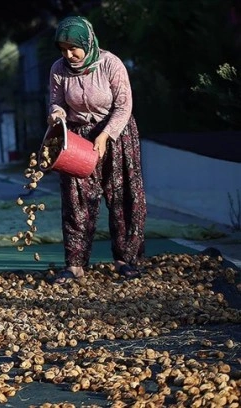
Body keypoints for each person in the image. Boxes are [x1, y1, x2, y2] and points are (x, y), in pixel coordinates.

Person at [46, 16, 146, 284]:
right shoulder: (59, 69)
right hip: (77, 138)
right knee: (76, 199)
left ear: (87, 43)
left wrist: (105, 135)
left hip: (116, 135)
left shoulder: (110, 64)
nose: (69, 54)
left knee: (123, 196)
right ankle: (75, 264)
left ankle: (127, 260)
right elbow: (56, 102)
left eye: (74, 48)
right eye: (63, 49)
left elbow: (124, 106)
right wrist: (56, 115)